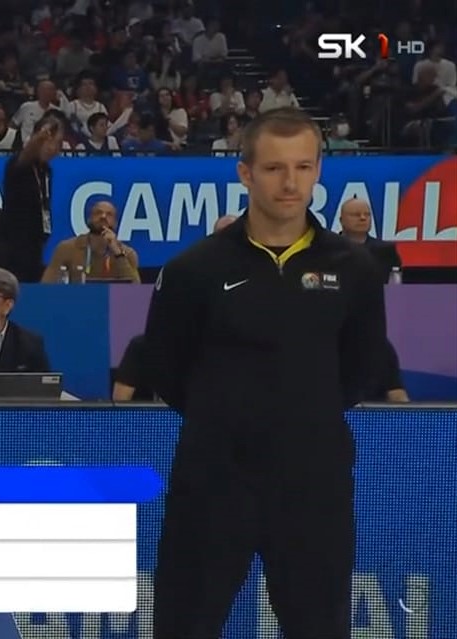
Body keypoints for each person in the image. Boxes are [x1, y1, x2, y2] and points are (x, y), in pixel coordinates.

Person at [144, 107, 387, 639]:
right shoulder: (193, 270)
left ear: (318, 170)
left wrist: (302, 414)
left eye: (302, 167)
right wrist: (227, 418)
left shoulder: (355, 270)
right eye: (275, 168)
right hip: (212, 483)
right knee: (185, 625)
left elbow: (363, 366)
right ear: (246, 173)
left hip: (311, 486)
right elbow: (165, 366)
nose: (290, 183)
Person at [0, 113, 64, 283]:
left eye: (57, 143)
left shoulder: (46, 170)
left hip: (36, 241)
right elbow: (25, 157)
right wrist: (39, 137)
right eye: (49, 142)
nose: (53, 148)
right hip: (14, 243)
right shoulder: (18, 164)